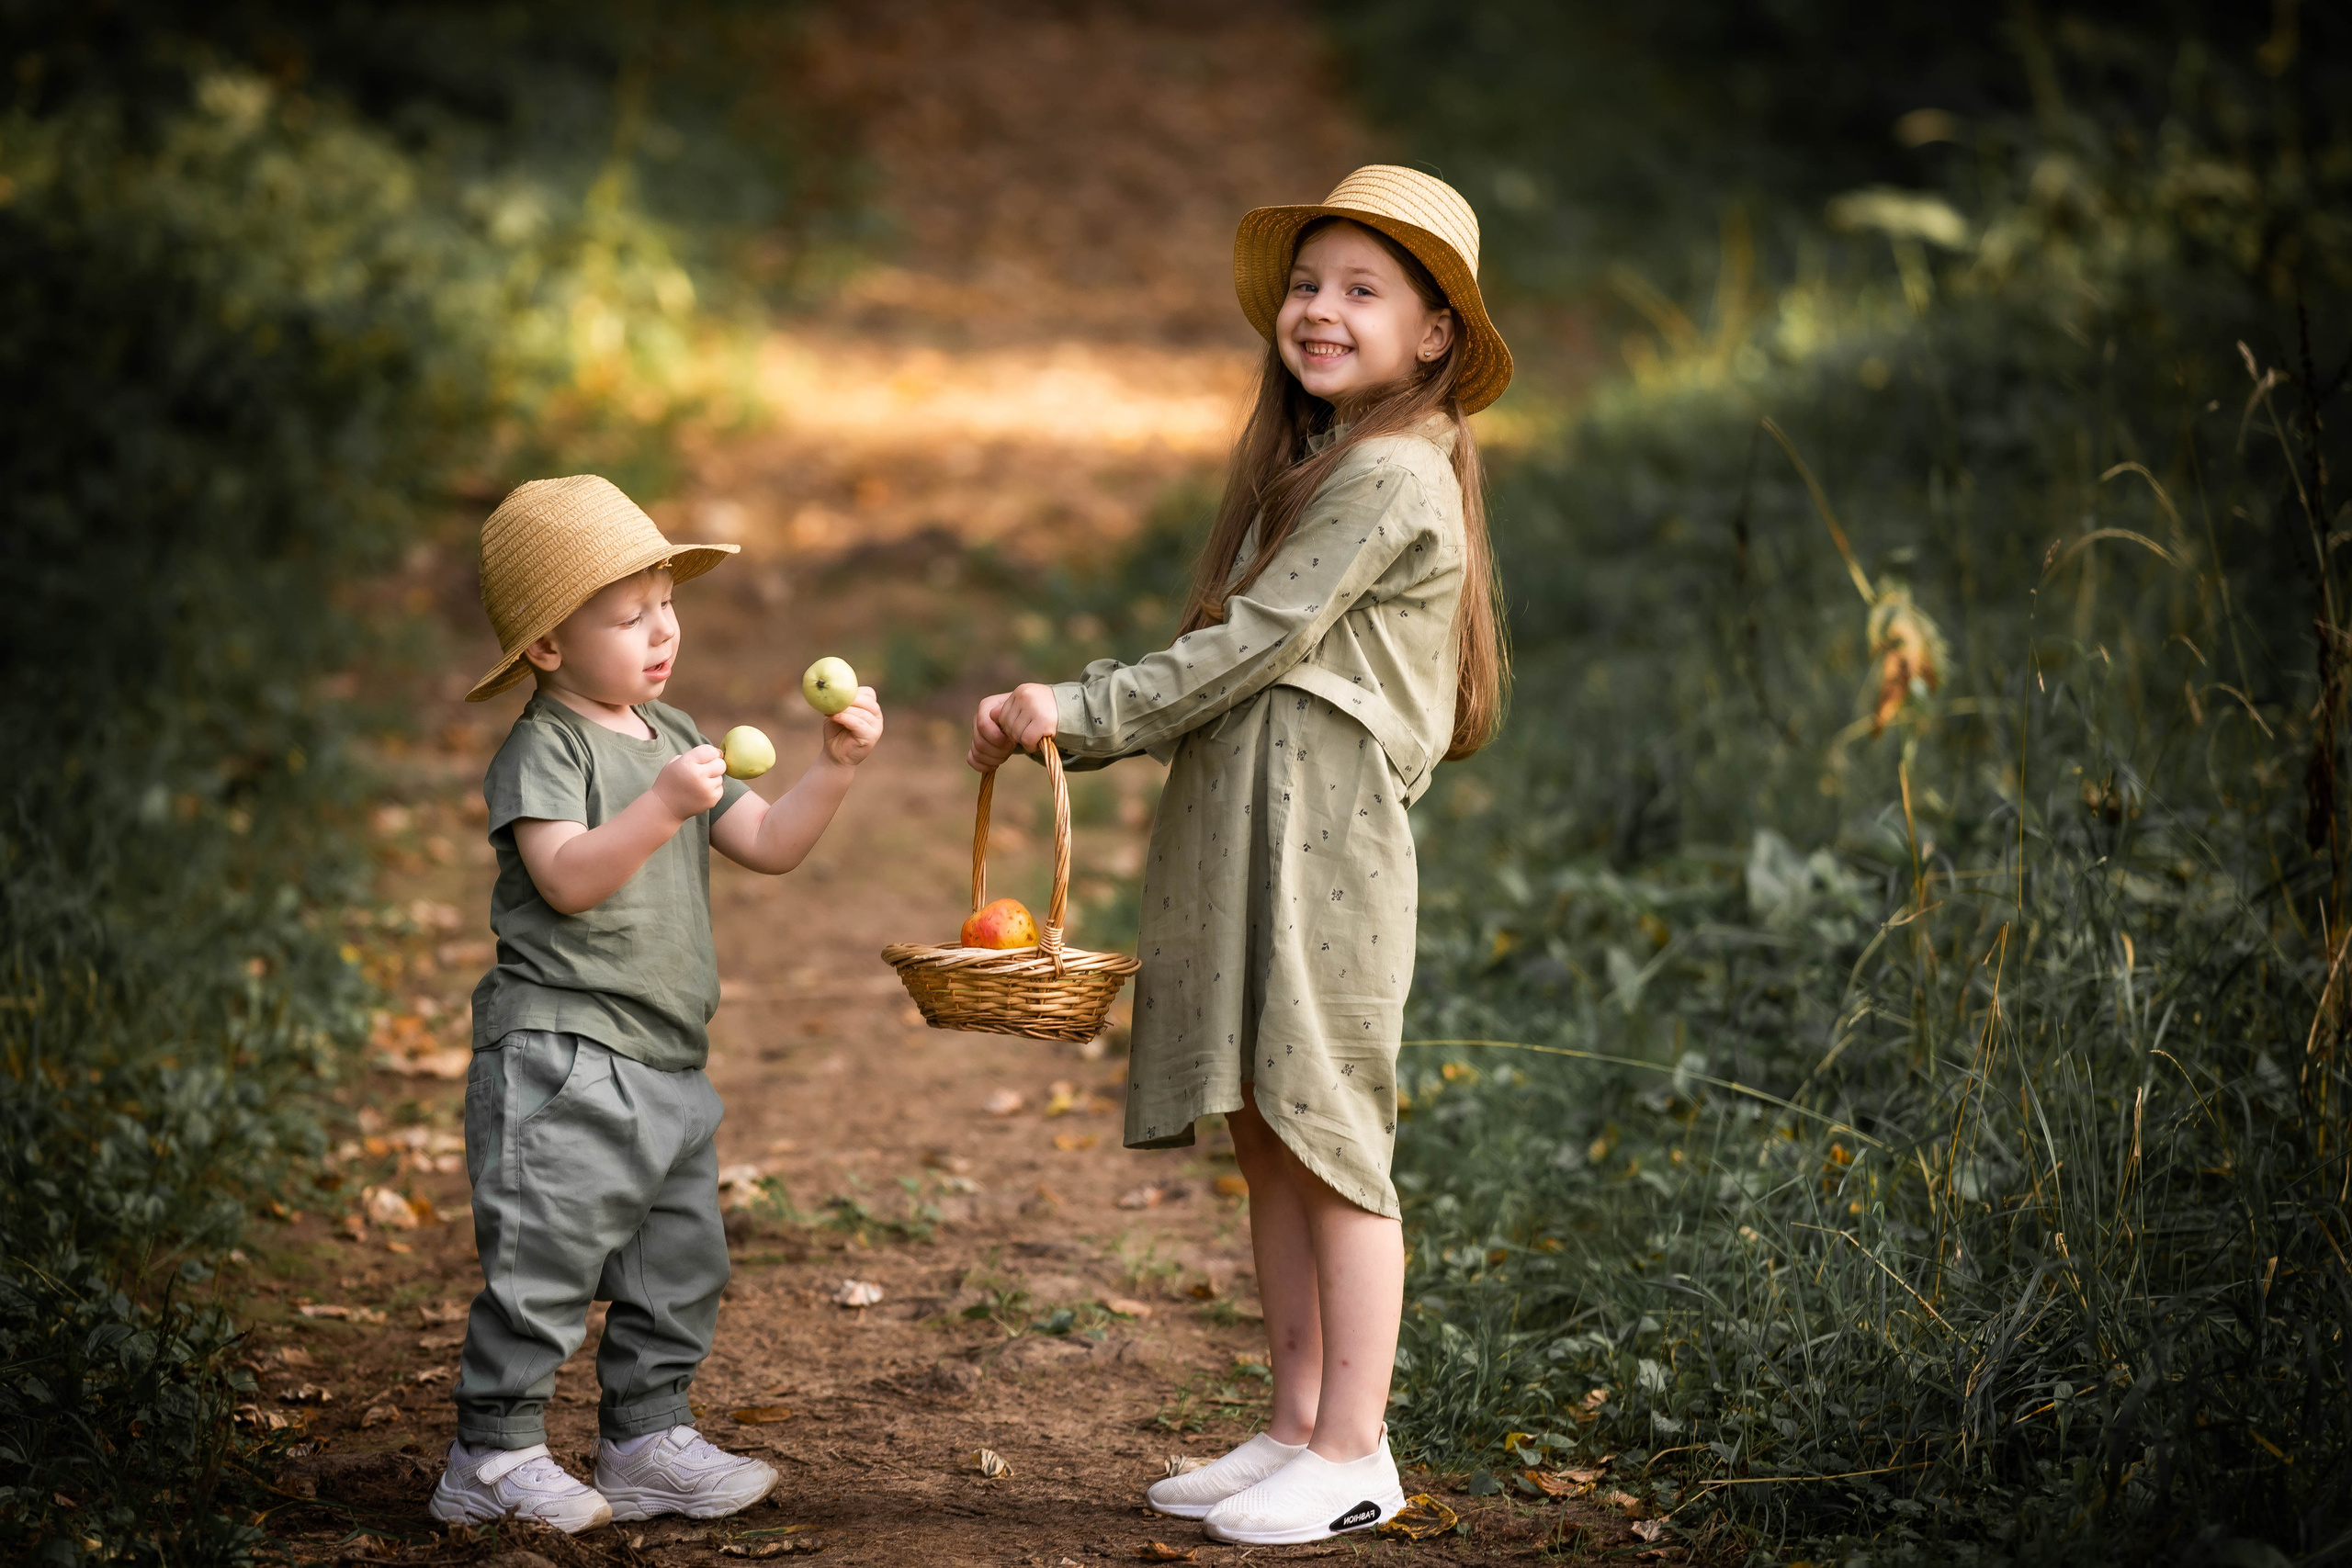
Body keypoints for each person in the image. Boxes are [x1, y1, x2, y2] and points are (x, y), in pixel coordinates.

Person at [967, 165, 1510, 1547]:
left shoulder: (1393, 470)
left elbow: (1256, 642)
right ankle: (1292, 1422)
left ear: (1436, 333)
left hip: (1323, 843)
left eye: (1362, 291)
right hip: (1260, 826)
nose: (1318, 310)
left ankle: (1356, 1443)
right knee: (1266, 1129)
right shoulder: (1325, 464)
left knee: (1329, 1135)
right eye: (1308, 284)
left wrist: (1077, 711)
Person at [431, 475, 884, 1532]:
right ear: (546, 646)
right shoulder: (545, 748)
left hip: (667, 1058)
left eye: (665, 605)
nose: (660, 630)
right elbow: (569, 877)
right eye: (627, 616)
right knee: (543, 1259)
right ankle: (488, 1457)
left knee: (677, 1264)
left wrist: (836, 767)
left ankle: (645, 1439)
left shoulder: (669, 729)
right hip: (561, 1051)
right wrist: (661, 803)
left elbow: (768, 843)